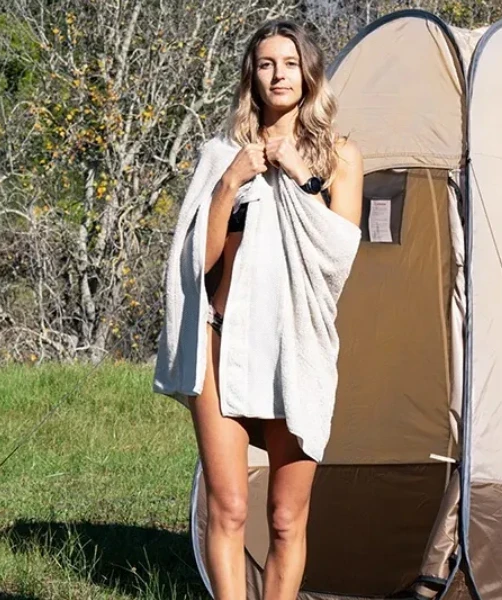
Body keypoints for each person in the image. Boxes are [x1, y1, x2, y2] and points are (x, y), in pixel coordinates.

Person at [192, 19, 362, 600]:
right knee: (230, 508)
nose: (278, 75)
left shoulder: (341, 158)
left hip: (300, 347)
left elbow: (340, 257)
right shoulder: (221, 154)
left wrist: (301, 175)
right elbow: (198, 258)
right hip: (222, 342)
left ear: (309, 72)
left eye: (289, 63)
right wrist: (229, 183)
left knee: (287, 519)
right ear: (252, 76)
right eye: (266, 64)